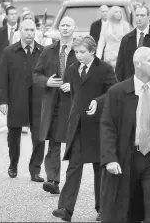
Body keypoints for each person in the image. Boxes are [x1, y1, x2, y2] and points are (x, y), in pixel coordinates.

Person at [52, 35, 117, 222]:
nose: (78, 56)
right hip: (78, 126)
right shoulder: (72, 69)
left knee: (100, 168)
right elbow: (74, 96)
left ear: (92, 51)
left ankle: (103, 209)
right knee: (74, 166)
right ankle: (65, 208)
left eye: (82, 52)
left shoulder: (105, 68)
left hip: (98, 126)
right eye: (76, 52)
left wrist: (98, 102)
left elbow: (113, 93)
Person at [100, 47, 150, 222]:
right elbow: (107, 126)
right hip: (126, 157)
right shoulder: (118, 92)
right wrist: (109, 157)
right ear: (137, 64)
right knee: (124, 208)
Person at [33, 16, 78, 195]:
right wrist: (47, 81)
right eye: (62, 25)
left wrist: (74, 86)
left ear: (74, 28)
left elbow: (91, 74)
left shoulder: (81, 50)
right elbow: (36, 75)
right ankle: (53, 180)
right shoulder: (48, 51)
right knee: (54, 142)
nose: (65, 28)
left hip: (73, 103)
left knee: (74, 144)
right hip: (53, 103)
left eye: (68, 25)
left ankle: (72, 181)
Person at [0, 19, 44, 181]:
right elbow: (2, 78)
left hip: (38, 101)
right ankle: (13, 164)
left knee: (39, 137)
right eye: (26, 30)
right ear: (20, 31)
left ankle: (35, 170)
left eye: (32, 30)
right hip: (16, 99)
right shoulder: (9, 52)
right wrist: (3, 101)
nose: (30, 33)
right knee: (14, 135)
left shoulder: (42, 52)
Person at [115, 5, 150, 82]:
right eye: (137, 15)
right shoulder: (127, 39)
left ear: (148, 18)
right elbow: (120, 65)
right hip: (131, 85)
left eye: (142, 15)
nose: (139, 18)